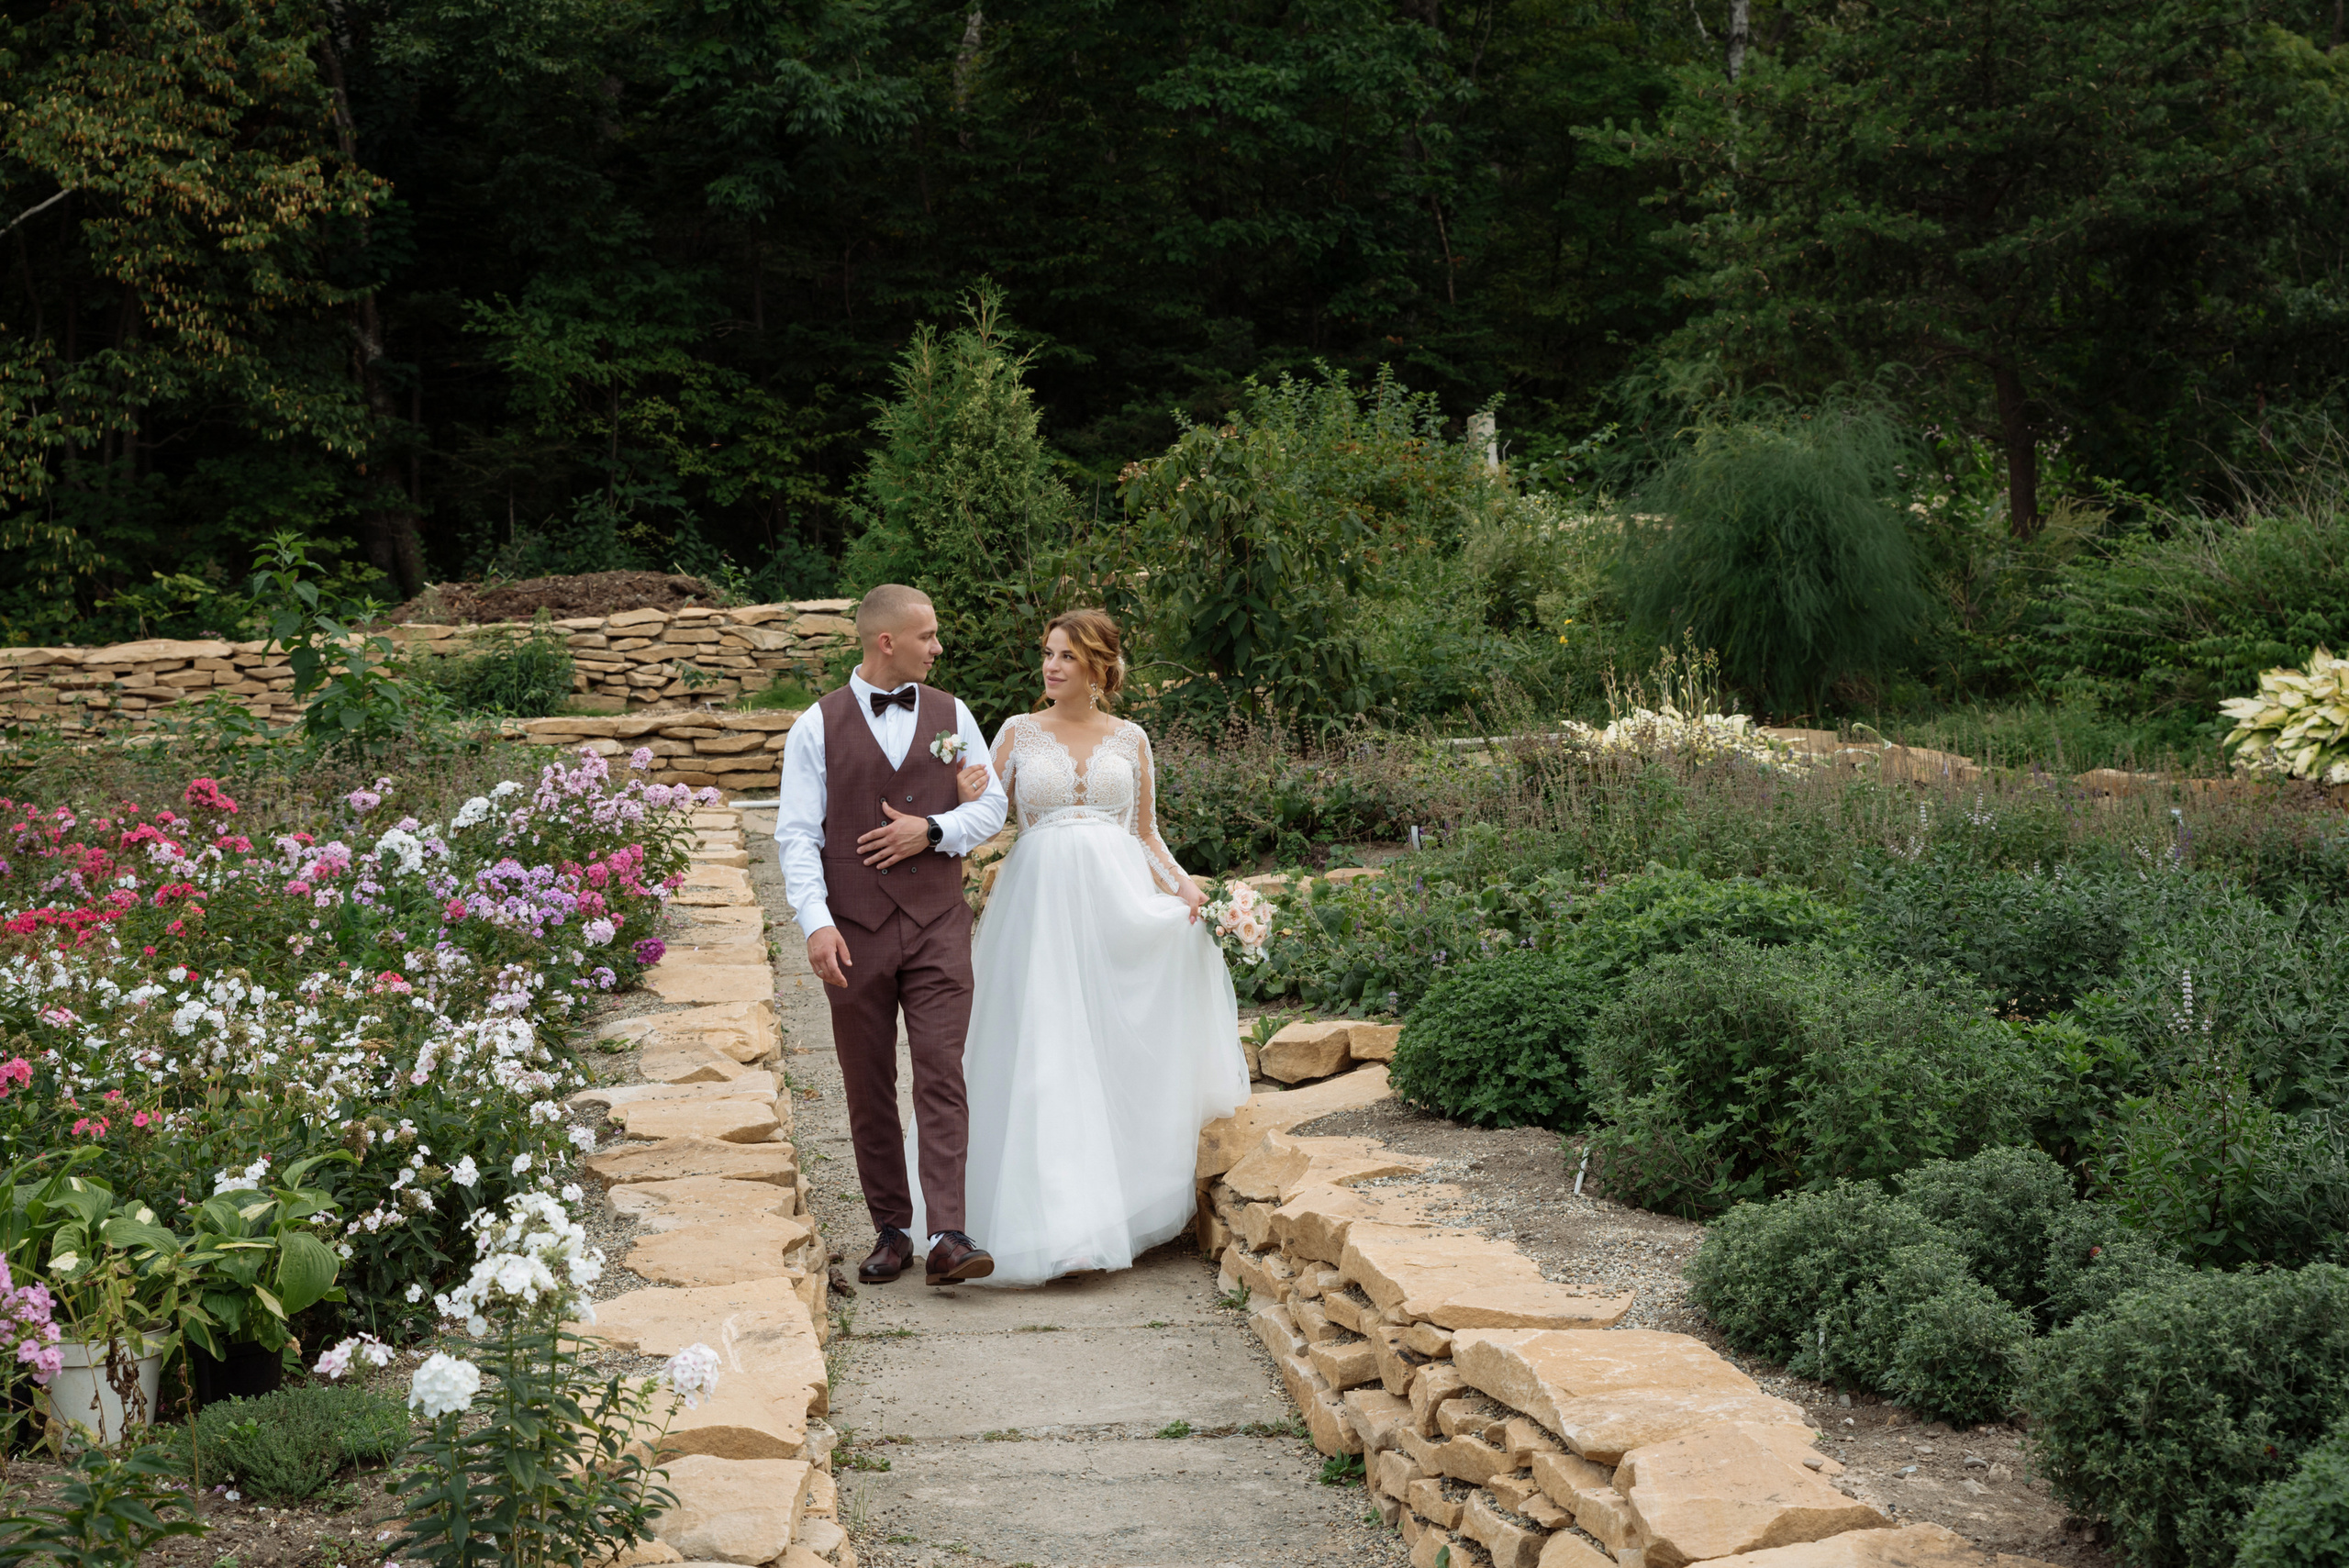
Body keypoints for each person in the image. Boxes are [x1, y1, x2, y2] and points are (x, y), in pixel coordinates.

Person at [915, 607, 1251, 1284]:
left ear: (1098, 666)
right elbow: (984, 821)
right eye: (1047, 653)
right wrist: (955, 798)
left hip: (1115, 910)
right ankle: (1056, 1229)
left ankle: (1111, 1211)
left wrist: (1188, 891)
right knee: (1045, 1054)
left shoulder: (1131, 739)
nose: (1051, 666)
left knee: (1103, 1056)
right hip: (1037, 914)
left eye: (1067, 656)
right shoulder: (1014, 733)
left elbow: (1145, 833)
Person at [774, 584, 1008, 1287]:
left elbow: (991, 802)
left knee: (941, 1072)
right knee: (867, 1082)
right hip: (853, 931)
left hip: (938, 923)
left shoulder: (952, 714)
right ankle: (892, 1229)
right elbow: (794, 836)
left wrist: (933, 829)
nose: (938, 647)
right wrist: (816, 923)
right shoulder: (815, 727)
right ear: (887, 642)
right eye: (927, 636)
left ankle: (949, 1234)